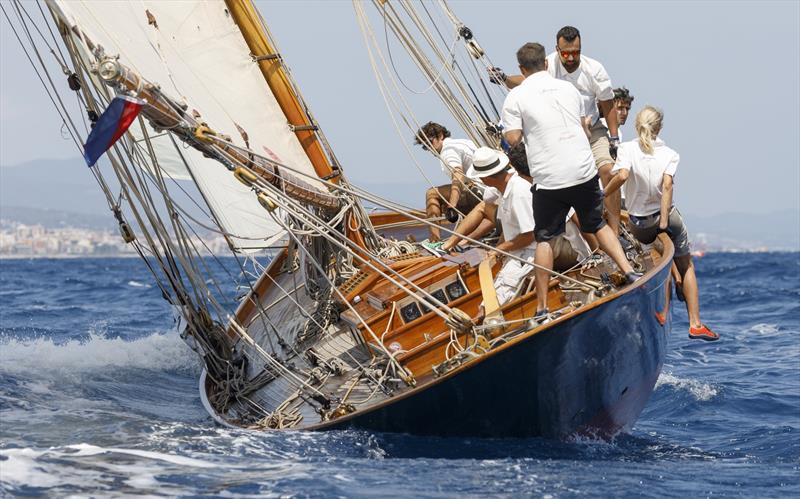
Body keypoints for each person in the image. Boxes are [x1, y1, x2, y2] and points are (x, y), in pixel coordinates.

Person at [500, 42, 640, 323]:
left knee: (545, 238)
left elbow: (513, 140)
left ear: (521, 69)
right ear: (547, 63)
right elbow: (583, 126)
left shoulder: (515, 98)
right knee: (597, 225)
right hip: (581, 170)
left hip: (549, 178)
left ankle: (542, 308)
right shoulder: (569, 89)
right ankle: (629, 271)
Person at [489, 26, 623, 234]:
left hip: (592, 128)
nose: (570, 58)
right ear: (557, 50)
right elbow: (526, 80)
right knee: (557, 177)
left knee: (608, 170)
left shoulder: (594, 70)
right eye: (566, 53)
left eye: (575, 52)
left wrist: (614, 138)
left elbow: (608, 105)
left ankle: (614, 230)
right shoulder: (549, 64)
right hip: (561, 132)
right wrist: (504, 78)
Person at [604, 106, 719, 341]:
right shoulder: (670, 154)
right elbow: (667, 186)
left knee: (656, 260)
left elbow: (623, 176)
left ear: (637, 126)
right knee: (685, 265)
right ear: (660, 128)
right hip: (665, 217)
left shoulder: (626, 149)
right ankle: (695, 323)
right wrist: (664, 220)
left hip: (638, 222)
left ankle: (662, 313)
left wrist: (603, 194)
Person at [414, 122, 482, 241]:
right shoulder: (463, 142)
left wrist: (452, 205)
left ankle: (434, 240)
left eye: (430, 142)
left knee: (431, 193)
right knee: (445, 197)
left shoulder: (447, 151)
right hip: (488, 189)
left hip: (478, 192)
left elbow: (458, 174)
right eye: (425, 146)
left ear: (440, 136)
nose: (429, 149)